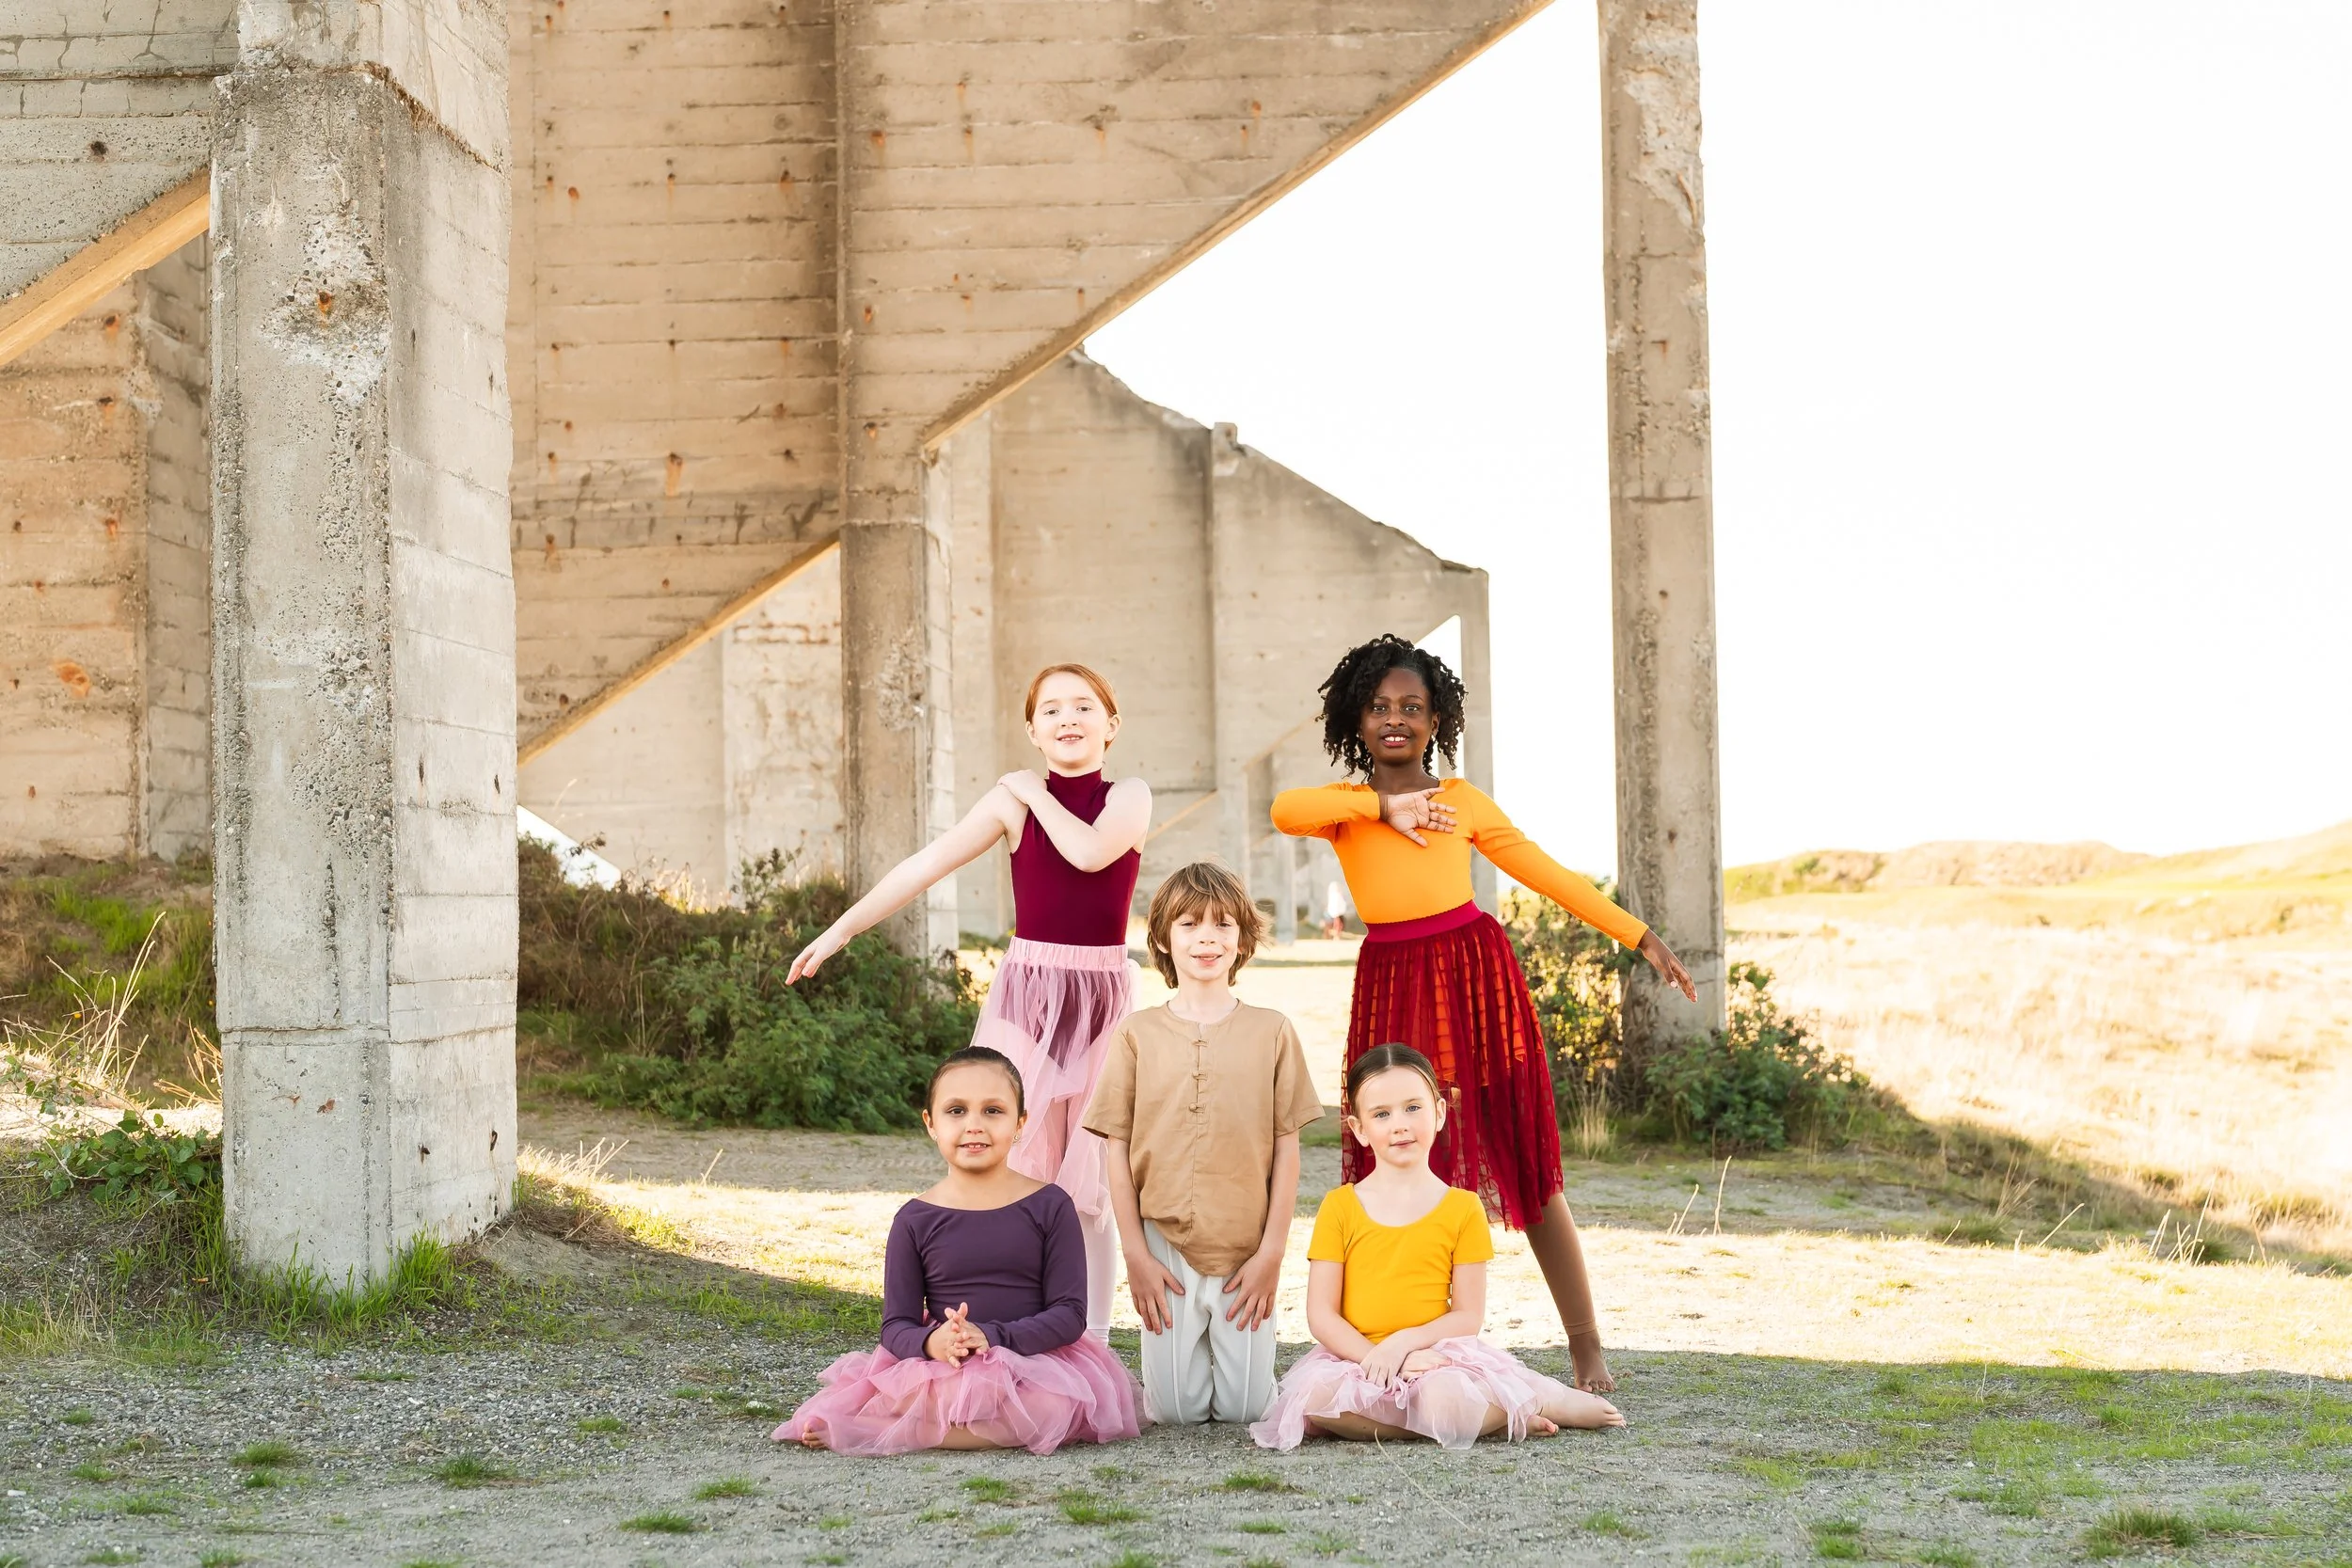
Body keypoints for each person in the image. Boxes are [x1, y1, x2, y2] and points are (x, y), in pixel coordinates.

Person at [1270, 633, 1696, 1393]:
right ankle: (1389, 1342)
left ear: (1437, 720)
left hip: (1471, 976)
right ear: (1355, 719)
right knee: (1392, 1156)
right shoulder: (1344, 809)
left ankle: (1585, 1342)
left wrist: (1639, 934)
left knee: (1524, 1162)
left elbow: (1546, 869)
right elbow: (1282, 809)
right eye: (1378, 707)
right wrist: (1383, 805)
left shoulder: (1460, 802)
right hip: (1394, 979)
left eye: (1412, 707)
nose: (1394, 719)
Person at [789, 663, 1148, 1336]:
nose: (1068, 719)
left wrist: (1030, 792)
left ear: (1111, 724)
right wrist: (841, 930)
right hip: (1029, 992)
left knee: (1091, 1182)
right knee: (1012, 1160)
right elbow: (926, 864)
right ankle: (995, 1318)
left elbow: (1092, 852)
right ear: (1032, 728)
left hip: (1100, 995)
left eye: (1083, 707)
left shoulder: (1127, 794)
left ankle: (1090, 1341)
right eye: (1051, 709)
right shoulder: (1012, 800)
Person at [1250, 1044, 1624, 1450]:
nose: (1400, 1125)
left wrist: (1404, 1346)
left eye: (1413, 1107)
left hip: (1436, 1360)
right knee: (1316, 1400)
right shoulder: (1339, 1206)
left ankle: (1541, 1400)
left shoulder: (1462, 1208)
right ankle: (1496, 1420)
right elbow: (1321, 1315)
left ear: (1440, 1112)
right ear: (1358, 1128)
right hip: (1357, 1359)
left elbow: (1467, 1316)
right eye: (1381, 1114)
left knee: (1444, 1398)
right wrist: (1382, 1357)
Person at [773, 1047, 1143, 1455]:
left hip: (1031, 1357)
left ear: (1020, 1123)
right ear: (930, 1123)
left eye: (992, 1111)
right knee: (900, 1392)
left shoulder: (1050, 1205)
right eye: (956, 1111)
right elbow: (896, 1324)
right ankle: (926, 1420)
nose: (974, 1126)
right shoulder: (914, 1219)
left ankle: (895, 1431)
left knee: (1056, 1404)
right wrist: (935, 1343)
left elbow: (1070, 1314)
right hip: (946, 1363)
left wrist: (993, 1336)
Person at [1084, 863, 1322, 1425]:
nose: (1207, 938)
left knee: (1246, 1409)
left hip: (1245, 1247)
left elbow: (1287, 1149)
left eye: (1222, 924)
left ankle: (1261, 1364)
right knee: (1175, 1412)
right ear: (1165, 938)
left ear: (1242, 938)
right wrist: (1136, 1258)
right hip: (1163, 1247)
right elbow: (1114, 1147)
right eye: (1190, 924)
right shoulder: (1136, 1033)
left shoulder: (1273, 1030)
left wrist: (1271, 1255)